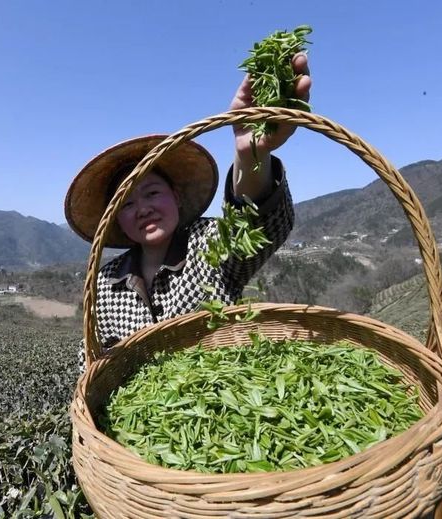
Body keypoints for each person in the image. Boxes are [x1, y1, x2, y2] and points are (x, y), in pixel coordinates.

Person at [65, 53, 311, 367]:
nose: (143, 209)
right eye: (127, 203)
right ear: (115, 218)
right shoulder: (106, 281)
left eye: (152, 192)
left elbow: (257, 226)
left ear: (177, 197)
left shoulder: (206, 243)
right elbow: (90, 361)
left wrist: (249, 156)